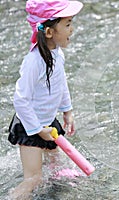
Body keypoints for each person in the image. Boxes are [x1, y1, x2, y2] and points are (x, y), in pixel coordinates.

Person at [8, 0, 83, 199]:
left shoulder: (57, 54)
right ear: (49, 32)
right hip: (30, 126)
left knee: (56, 167)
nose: (72, 29)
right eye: (67, 24)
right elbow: (20, 100)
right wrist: (37, 130)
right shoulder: (34, 62)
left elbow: (60, 83)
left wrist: (67, 111)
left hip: (48, 122)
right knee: (34, 179)